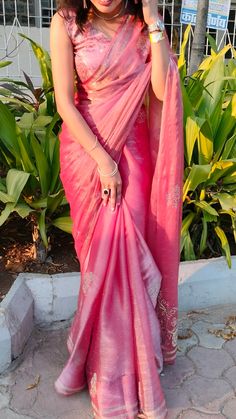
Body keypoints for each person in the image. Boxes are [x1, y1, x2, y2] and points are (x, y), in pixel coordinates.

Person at [50, 0, 184, 417]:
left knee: (126, 260)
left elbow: (161, 90)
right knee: (100, 260)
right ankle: (102, 359)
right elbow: (64, 102)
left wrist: (154, 24)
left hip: (136, 156)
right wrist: (102, 162)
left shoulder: (141, 25)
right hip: (87, 156)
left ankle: (130, 365)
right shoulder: (66, 23)